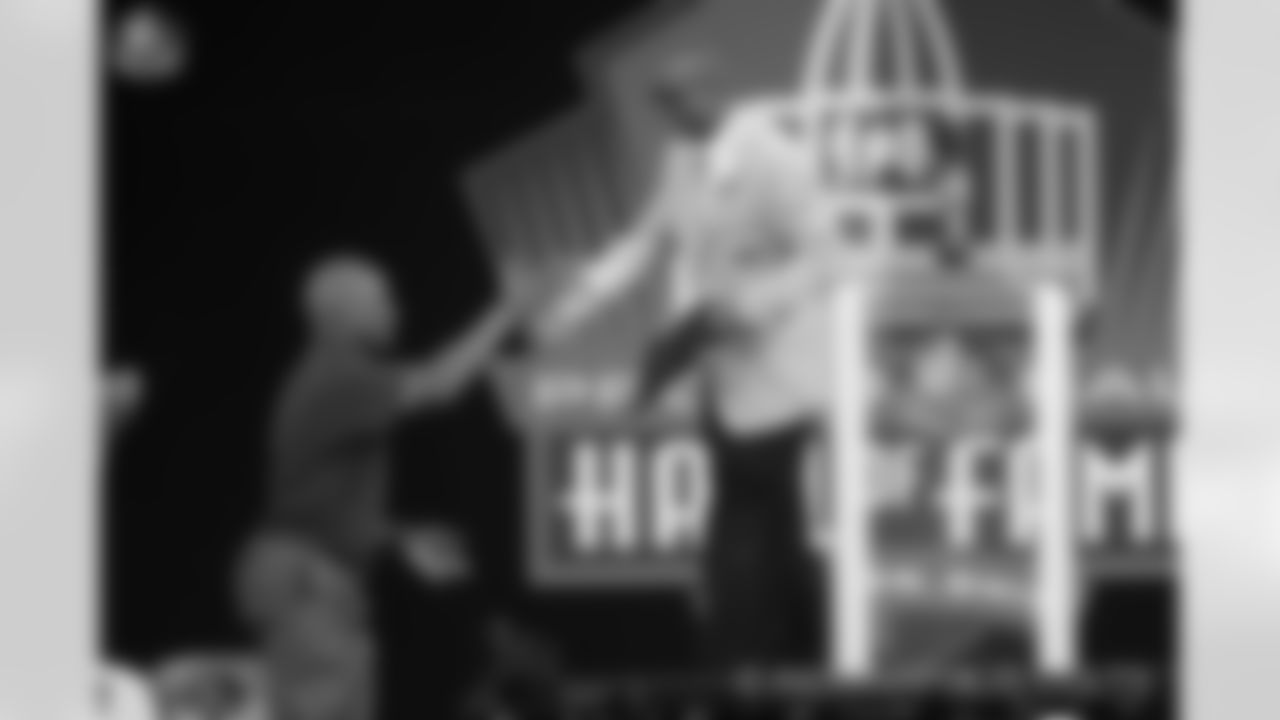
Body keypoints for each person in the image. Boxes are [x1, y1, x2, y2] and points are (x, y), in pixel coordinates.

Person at [539, 66, 845, 673]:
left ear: (715, 87)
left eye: (679, 98)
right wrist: (568, 308)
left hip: (787, 379)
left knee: (761, 532)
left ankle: (765, 661)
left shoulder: (777, 159)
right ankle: (758, 665)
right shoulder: (682, 158)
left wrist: (753, 306)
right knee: (762, 532)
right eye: (663, 103)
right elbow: (646, 241)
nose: (673, 114)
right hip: (724, 378)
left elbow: (830, 257)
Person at [235, 254, 550, 720]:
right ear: (344, 313)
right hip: (308, 584)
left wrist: (396, 538)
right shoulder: (339, 374)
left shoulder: (328, 376)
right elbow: (440, 385)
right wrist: (507, 312)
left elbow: (312, 499)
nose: (396, 309)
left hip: (311, 580)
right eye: (383, 299)